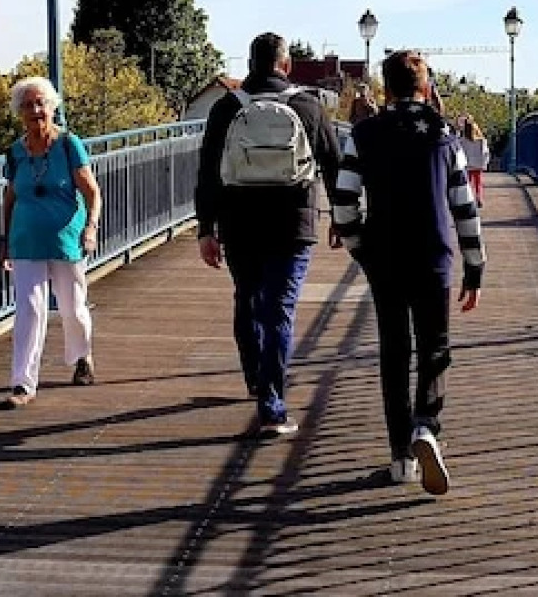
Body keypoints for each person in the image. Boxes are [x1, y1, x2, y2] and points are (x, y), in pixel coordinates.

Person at [331, 49, 485, 494]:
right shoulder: (443, 135)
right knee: (435, 348)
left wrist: (363, 251)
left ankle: (401, 459)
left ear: (386, 86)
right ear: (424, 85)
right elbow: (464, 208)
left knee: (394, 352)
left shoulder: (365, 134)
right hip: (434, 256)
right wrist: (474, 268)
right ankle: (426, 427)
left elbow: (344, 206)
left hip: (386, 257)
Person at [194, 33, 345, 437]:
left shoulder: (227, 107)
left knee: (247, 299)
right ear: (286, 64)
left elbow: (208, 170)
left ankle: (256, 379)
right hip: (293, 222)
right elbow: (333, 164)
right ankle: (272, 405)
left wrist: (205, 228)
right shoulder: (309, 105)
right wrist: (341, 219)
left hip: (238, 221)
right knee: (279, 309)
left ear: (250, 63)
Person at [0, 76, 103, 407]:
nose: (35, 110)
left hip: (65, 241)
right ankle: (22, 383)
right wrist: (4, 240)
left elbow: (92, 192)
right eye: (28, 105)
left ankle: (81, 357)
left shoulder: (69, 144)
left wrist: (91, 227)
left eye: (41, 103)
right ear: (20, 112)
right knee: (29, 309)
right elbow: (10, 197)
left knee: (72, 308)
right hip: (25, 240)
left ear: (52, 107)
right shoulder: (15, 152)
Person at [457, 115, 490, 205]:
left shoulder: (461, 141)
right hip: (477, 165)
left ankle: (468, 199)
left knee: (468, 183)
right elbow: (485, 153)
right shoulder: (481, 141)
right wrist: (484, 164)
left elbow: (460, 153)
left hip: (467, 165)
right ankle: (479, 198)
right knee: (478, 182)